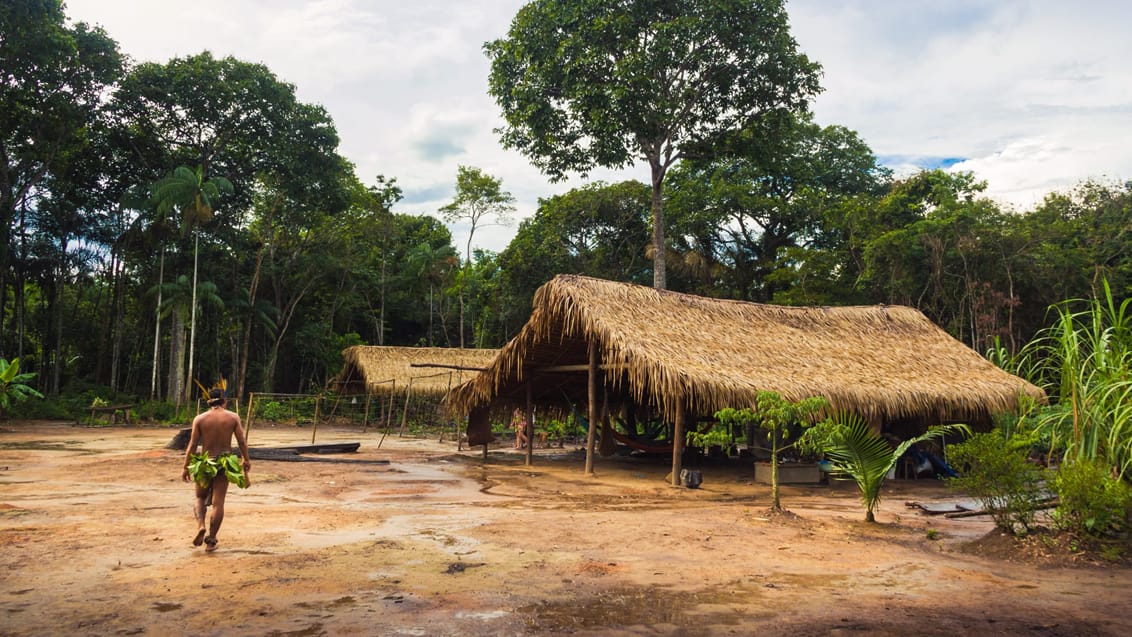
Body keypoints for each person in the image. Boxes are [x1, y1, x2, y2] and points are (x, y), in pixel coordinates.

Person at [181, 385, 251, 552]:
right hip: (224, 462)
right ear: (224, 401)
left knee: (199, 498)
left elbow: (192, 445)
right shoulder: (233, 418)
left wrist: (185, 467)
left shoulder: (200, 419)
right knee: (218, 503)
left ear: (209, 401)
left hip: (205, 462)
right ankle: (211, 540)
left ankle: (200, 526)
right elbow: (241, 441)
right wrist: (246, 459)